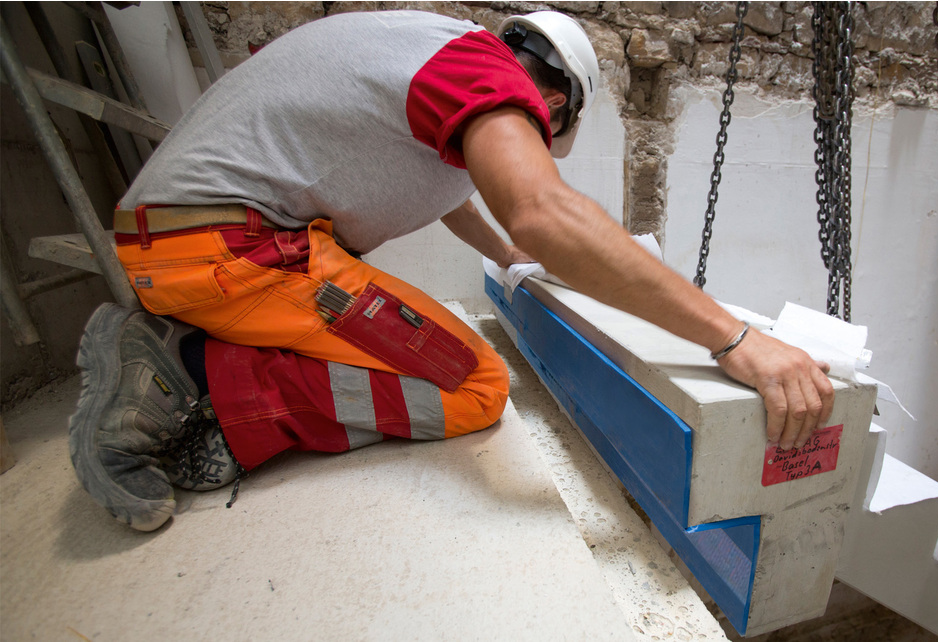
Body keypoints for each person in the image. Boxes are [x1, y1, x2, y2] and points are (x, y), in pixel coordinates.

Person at [69, 9, 834, 532]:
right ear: (550, 101)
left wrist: (507, 256)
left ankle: (192, 342)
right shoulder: (485, 76)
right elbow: (543, 210)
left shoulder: (430, 58)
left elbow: (447, 195)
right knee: (473, 386)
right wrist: (734, 338)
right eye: (538, 132)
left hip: (177, 239)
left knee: (401, 335)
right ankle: (186, 375)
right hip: (229, 250)